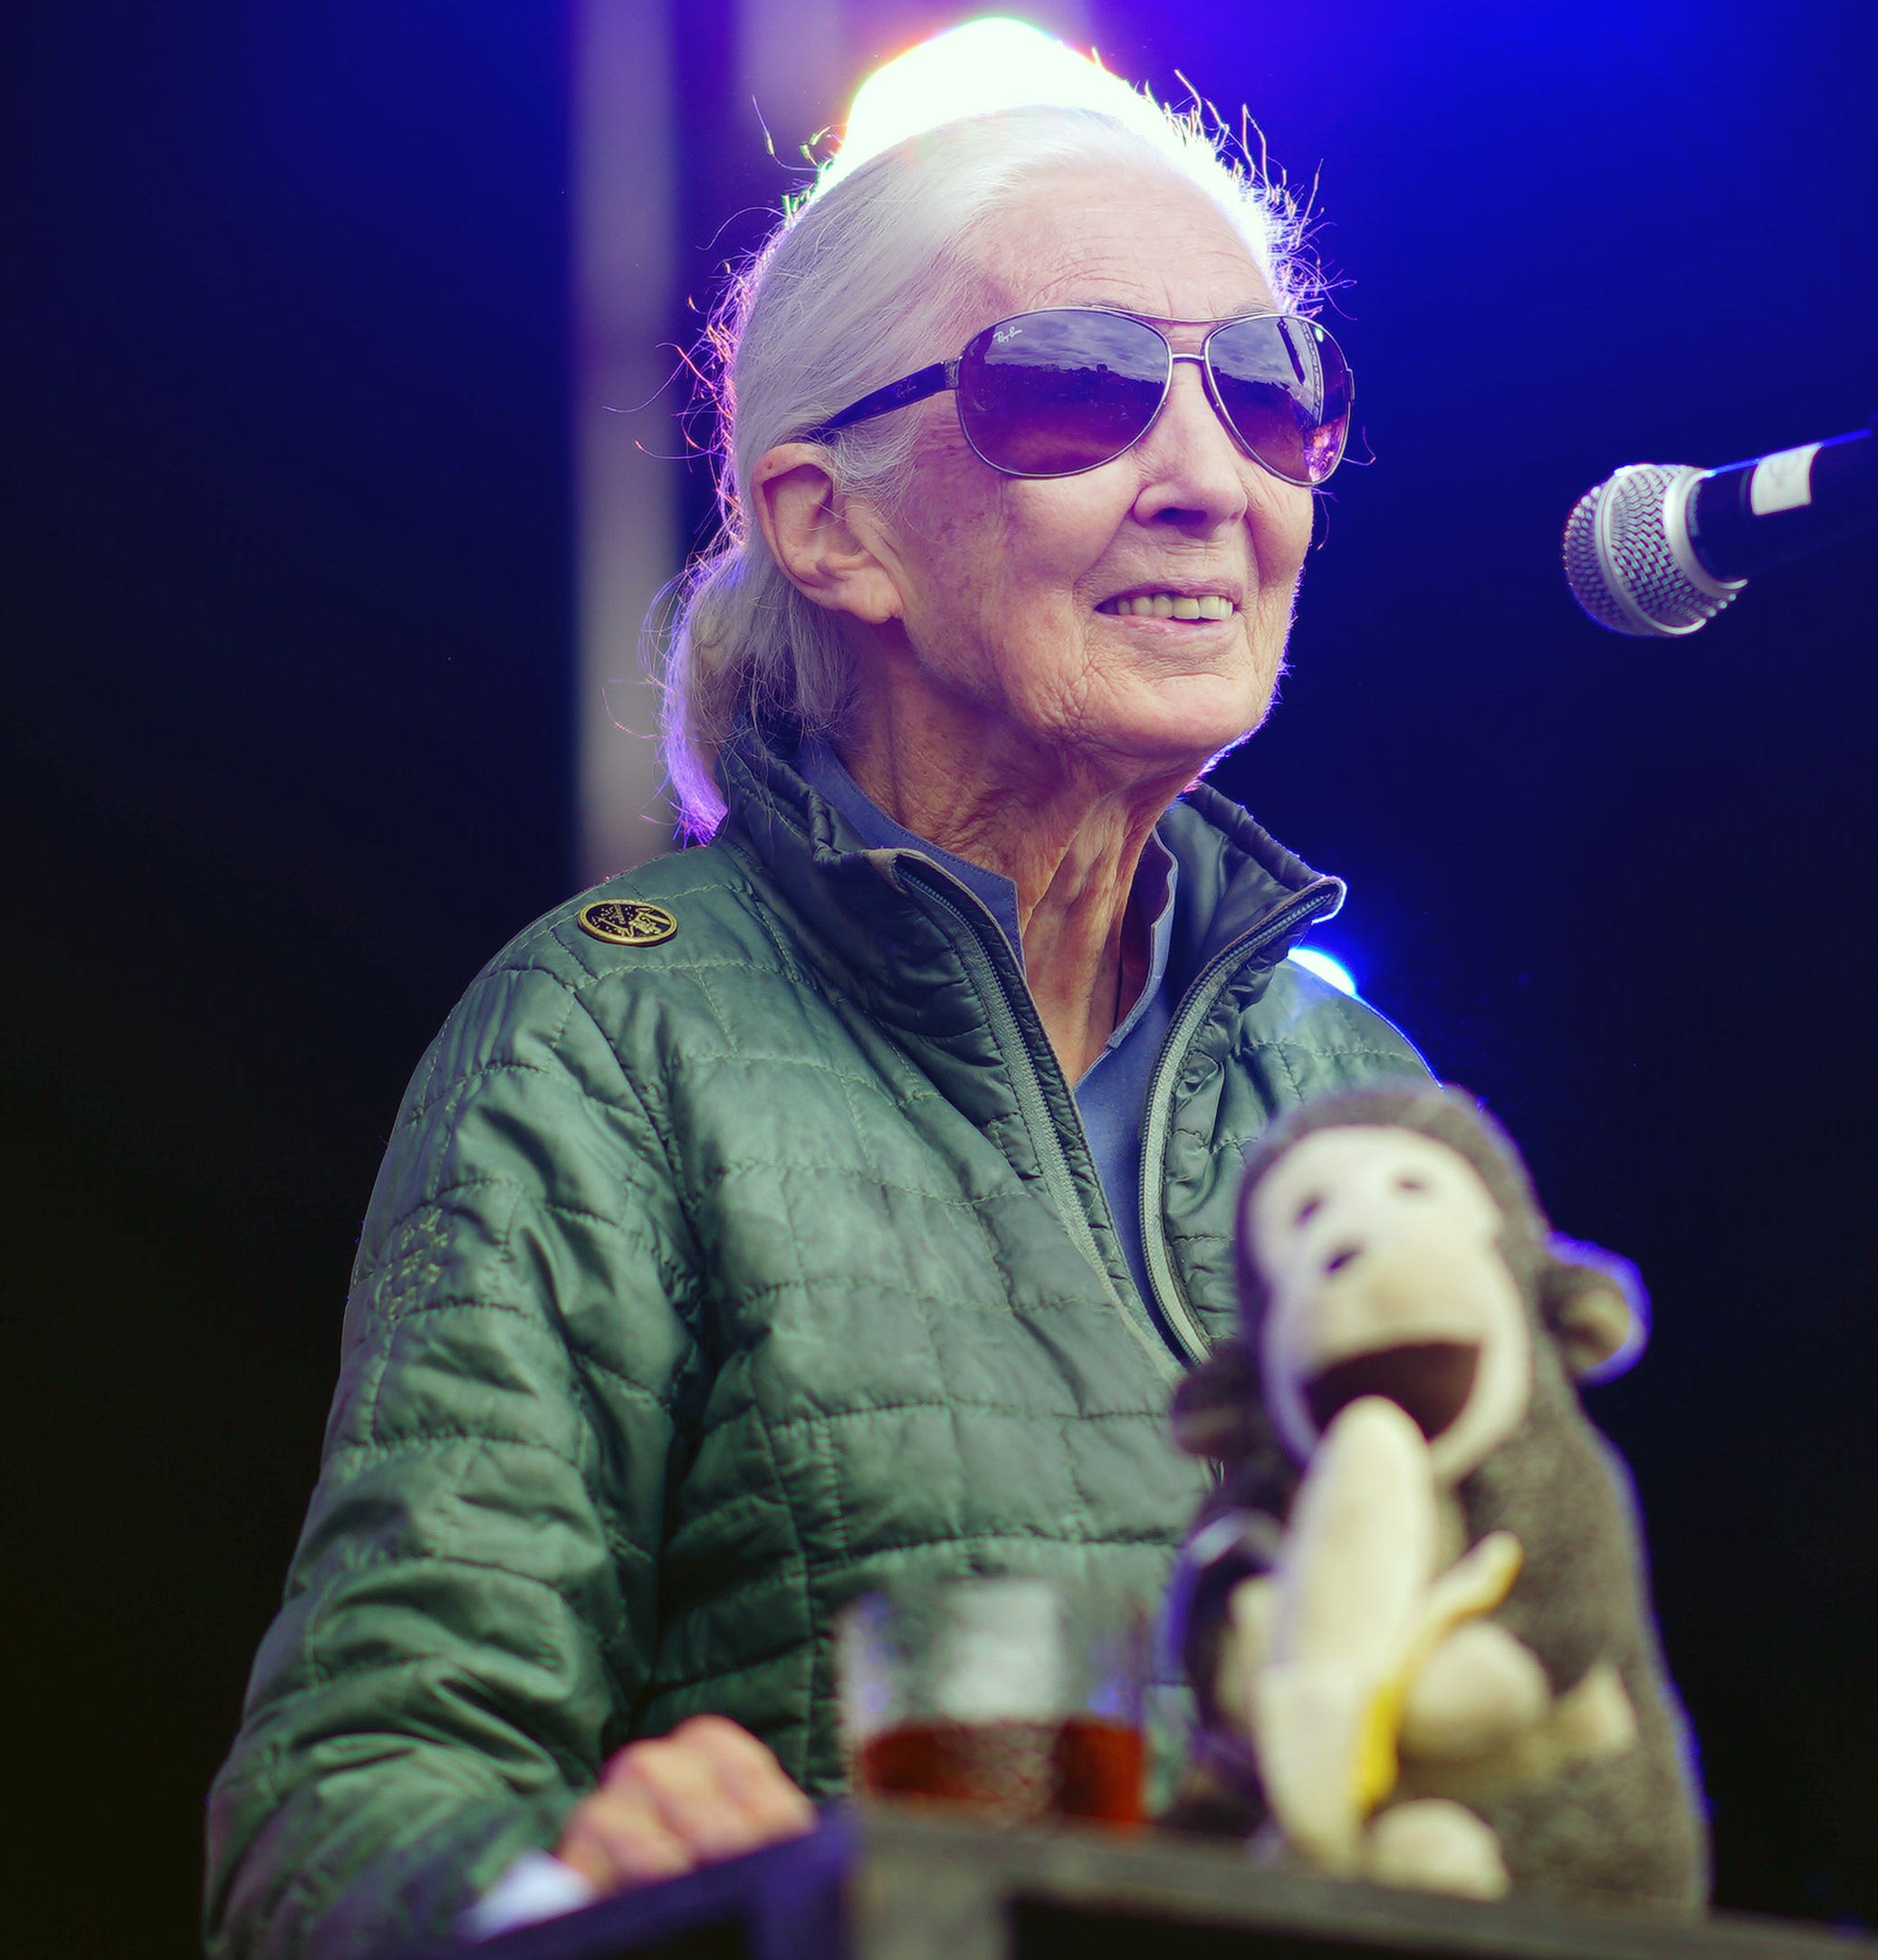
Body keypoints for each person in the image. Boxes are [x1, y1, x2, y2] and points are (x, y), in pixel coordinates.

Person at [204, 93, 1428, 1960]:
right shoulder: (610, 1030)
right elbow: (345, 1808)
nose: (1208, 477)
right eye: (1078, 391)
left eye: (1265, 394)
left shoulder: (1367, 1107)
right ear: (827, 526)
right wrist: (600, 1890)